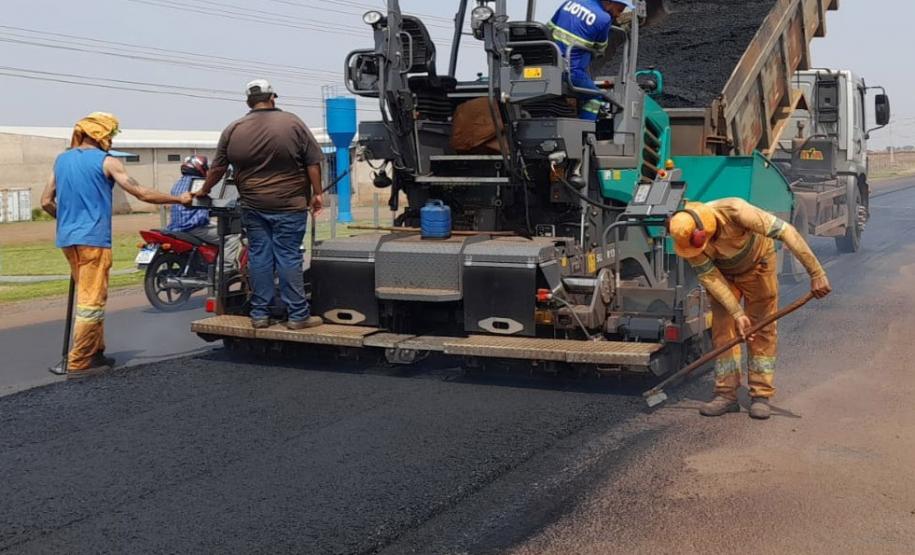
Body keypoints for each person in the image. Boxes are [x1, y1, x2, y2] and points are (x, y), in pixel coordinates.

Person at [41, 112, 192, 379]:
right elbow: (141, 192)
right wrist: (179, 199)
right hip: (93, 241)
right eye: (110, 134)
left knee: (91, 295)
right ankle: (79, 362)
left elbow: (45, 201)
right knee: (91, 301)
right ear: (100, 134)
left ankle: (96, 351)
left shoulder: (61, 160)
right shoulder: (107, 162)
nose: (110, 139)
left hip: (68, 240)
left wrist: (67, 221)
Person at [668, 198, 832, 420]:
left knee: (762, 330)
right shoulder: (687, 236)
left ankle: (761, 395)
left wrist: (816, 273)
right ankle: (726, 395)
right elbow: (711, 277)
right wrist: (737, 313)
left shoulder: (737, 212)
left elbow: (788, 232)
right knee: (723, 332)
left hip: (758, 268)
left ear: (704, 230)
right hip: (724, 276)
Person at [194, 79, 325, 330]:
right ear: (272, 97)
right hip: (290, 205)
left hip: (253, 206)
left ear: (248, 102)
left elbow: (219, 167)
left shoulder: (234, 129)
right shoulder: (292, 123)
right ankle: (297, 315)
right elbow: (312, 163)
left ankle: (260, 314)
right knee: (288, 256)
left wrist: (203, 189)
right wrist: (317, 194)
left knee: (259, 257)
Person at [548, 0, 633, 120]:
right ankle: (585, 133)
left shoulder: (570, 2)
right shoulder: (604, 18)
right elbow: (600, 48)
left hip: (549, 64)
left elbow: (549, 27)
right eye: (619, 10)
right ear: (609, 2)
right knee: (596, 97)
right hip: (572, 71)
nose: (618, 15)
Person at [166, 155, 242, 272]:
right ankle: (224, 272)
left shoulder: (178, 183)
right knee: (231, 236)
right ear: (200, 168)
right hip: (194, 227)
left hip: (176, 227)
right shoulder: (200, 184)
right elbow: (213, 203)